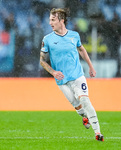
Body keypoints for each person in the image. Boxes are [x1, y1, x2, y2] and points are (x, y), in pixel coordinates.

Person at [40, 8, 104, 141]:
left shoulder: (74, 36)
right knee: (78, 106)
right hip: (62, 80)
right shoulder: (47, 39)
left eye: (53, 20)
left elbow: (82, 50)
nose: (50, 23)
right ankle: (84, 117)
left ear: (61, 20)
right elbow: (42, 61)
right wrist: (53, 72)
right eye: (49, 20)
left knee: (85, 100)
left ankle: (98, 133)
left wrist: (91, 67)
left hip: (77, 75)